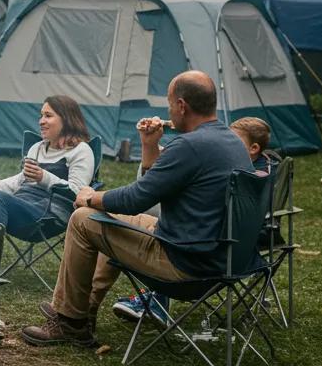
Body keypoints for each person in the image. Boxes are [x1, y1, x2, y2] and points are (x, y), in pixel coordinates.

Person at [20, 71, 252, 346]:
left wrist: (90, 197)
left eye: (169, 103)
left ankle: (71, 322)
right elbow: (157, 182)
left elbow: (136, 199)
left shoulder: (189, 146)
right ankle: (82, 308)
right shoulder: (230, 141)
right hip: (222, 255)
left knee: (83, 218)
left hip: (185, 263)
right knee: (107, 218)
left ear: (181, 106)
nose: (168, 110)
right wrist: (149, 144)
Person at [110, 113, 274, 325]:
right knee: (146, 214)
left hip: (208, 251)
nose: (228, 145)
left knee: (130, 219)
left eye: (235, 140)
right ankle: (153, 298)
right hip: (232, 250)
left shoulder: (247, 175)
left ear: (254, 148)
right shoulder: (262, 170)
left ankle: (155, 299)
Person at [0, 95, 94, 238]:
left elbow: (79, 193)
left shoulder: (81, 151)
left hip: (48, 216)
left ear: (66, 120)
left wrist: (44, 177)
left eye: (48, 116)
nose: (41, 121)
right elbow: (20, 180)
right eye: (41, 116)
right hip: (22, 206)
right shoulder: (37, 148)